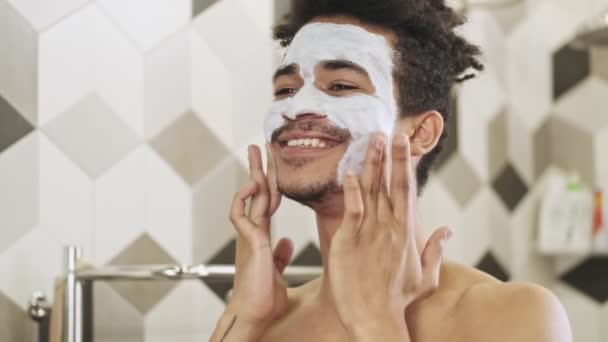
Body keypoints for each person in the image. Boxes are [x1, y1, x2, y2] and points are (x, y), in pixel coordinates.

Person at [211, 0, 572, 341]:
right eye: (285, 89)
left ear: (420, 133)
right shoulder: (263, 319)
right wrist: (245, 319)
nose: (296, 107)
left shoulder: (512, 314)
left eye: (340, 86)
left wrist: (377, 325)